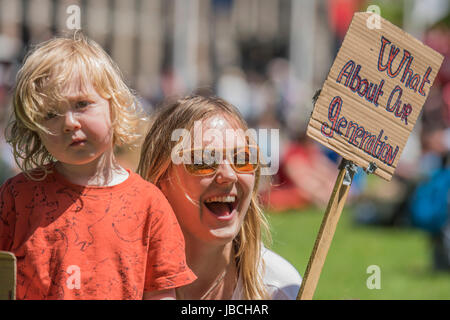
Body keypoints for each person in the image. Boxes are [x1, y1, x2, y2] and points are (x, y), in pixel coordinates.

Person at [0, 34, 196, 299]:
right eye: (51, 114)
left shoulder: (149, 205)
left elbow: (160, 294)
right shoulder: (16, 197)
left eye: (82, 104)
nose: (69, 122)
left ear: (114, 107)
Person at [138, 94, 302, 299]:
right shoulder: (123, 280)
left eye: (242, 158)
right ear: (160, 179)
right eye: (203, 160)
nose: (229, 175)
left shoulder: (279, 288)